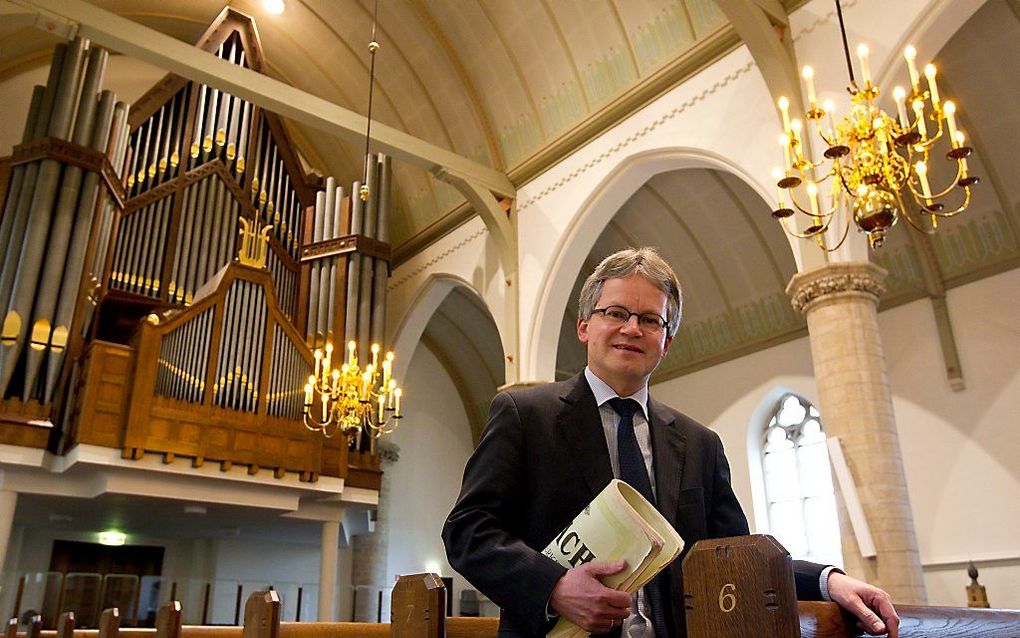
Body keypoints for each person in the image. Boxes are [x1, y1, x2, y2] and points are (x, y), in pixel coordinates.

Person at [442, 247, 899, 638]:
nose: (631, 328)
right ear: (585, 326)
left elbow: (733, 553)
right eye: (616, 313)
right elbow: (467, 531)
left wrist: (826, 581)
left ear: (667, 341)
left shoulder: (700, 443)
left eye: (649, 319)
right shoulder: (526, 415)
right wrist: (553, 587)